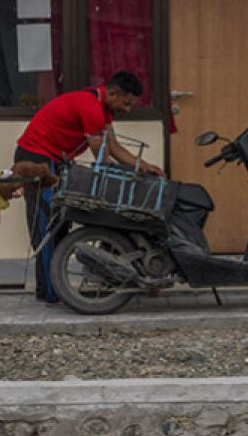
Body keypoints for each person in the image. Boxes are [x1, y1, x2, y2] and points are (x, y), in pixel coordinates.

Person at [14, 70, 164, 301]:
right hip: (36, 159)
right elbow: (102, 156)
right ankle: (51, 293)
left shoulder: (102, 108)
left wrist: (144, 166)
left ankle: (52, 290)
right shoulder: (90, 107)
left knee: (60, 225)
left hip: (52, 159)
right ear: (113, 92)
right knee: (47, 228)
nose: (128, 109)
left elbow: (113, 146)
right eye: (126, 103)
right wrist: (120, 174)